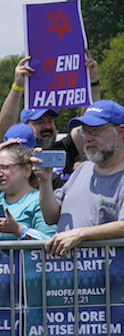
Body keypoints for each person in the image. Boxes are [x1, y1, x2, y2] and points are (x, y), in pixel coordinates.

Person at [41, 100, 124, 257]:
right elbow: (51, 217)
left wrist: (82, 234)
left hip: (108, 279)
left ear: (120, 132)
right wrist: (45, 181)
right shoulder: (83, 170)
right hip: (70, 278)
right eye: (84, 131)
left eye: (95, 130)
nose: (87, 138)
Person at [0, 53, 100, 144]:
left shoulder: (64, 149)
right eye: (39, 122)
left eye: (50, 121)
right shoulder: (18, 152)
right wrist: (17, 86)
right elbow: (4, 133)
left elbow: (90, 124)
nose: (47, 127)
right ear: (24, 126)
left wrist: (92, 81)